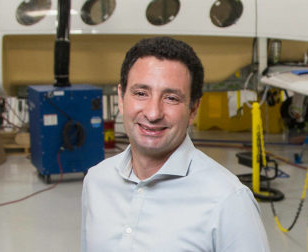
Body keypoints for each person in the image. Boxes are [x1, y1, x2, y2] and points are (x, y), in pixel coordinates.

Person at [81, 37, 270, 251]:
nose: (153, 113)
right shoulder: (96, 181)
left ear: (193, 109)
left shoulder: (228, 201)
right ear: (121, 98)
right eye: (141, 93)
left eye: (171, 98)